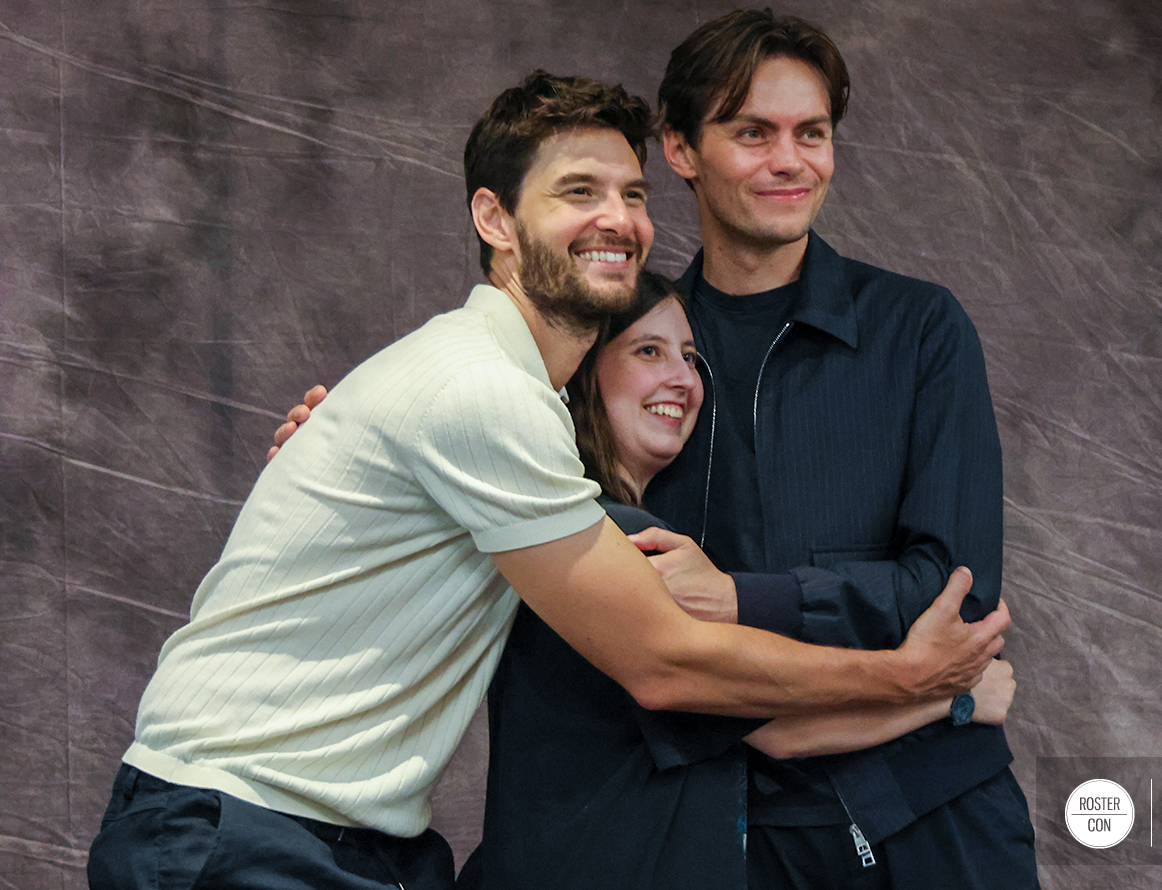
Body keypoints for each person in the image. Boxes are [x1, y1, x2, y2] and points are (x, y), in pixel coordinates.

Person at [88, 71, 1009, 890]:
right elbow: (664, 662)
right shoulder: (483, 390)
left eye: (633, 194)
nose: (619, 219)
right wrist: (910, 678)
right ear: (494, 219)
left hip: (352, 843)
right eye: (578, 191)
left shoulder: (510, 407)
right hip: (234, 828)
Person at [633, 9, 1041, 889]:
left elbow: (952, 593)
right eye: (753, 133)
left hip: (933, 816)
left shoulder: (919, 328)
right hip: (727, 831)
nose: (791, 161)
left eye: (810, 133)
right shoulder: (631, 357)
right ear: (679, 149)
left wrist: (737, 598)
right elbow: (646, 645)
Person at [459, 269, 1015, 889]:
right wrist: (951, 697)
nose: (684, 378)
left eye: (691, 358)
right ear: (582, 371)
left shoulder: (592, 531)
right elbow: (782, 729)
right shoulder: (614, 543)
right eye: (649, 351)